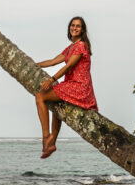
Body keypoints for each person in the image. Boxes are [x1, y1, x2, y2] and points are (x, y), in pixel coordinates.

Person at [34, 16, 98, 158]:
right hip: (71, 84)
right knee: (56, 105)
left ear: (82, 30)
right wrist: (34, 64)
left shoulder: (81, 46)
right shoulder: (70, 48)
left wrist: (51, 80)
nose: (74, 28)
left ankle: (46, 137)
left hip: (79, 87)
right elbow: (52, 61)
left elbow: (69, 66)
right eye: (72, 25)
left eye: (78, 26)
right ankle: (52, 143)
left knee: (40, 97)